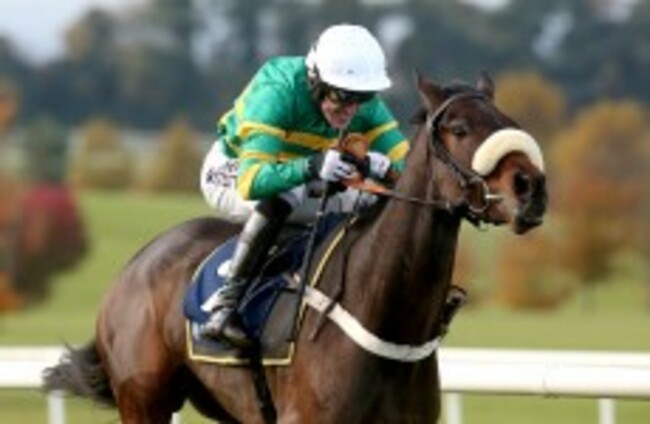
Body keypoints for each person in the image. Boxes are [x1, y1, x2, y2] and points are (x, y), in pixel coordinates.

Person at [199, 24, 409, 343]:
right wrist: (311, 165)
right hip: (233, 170)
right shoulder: (278, 91)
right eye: (342, 96)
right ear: (315, 81)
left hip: (305, 177)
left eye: (362, 97)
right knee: (289, 190)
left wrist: (385, 168)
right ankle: (225, 306)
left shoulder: (364, 105)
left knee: (372, 198)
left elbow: (410, 171)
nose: (351, 109)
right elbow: (252, 182)